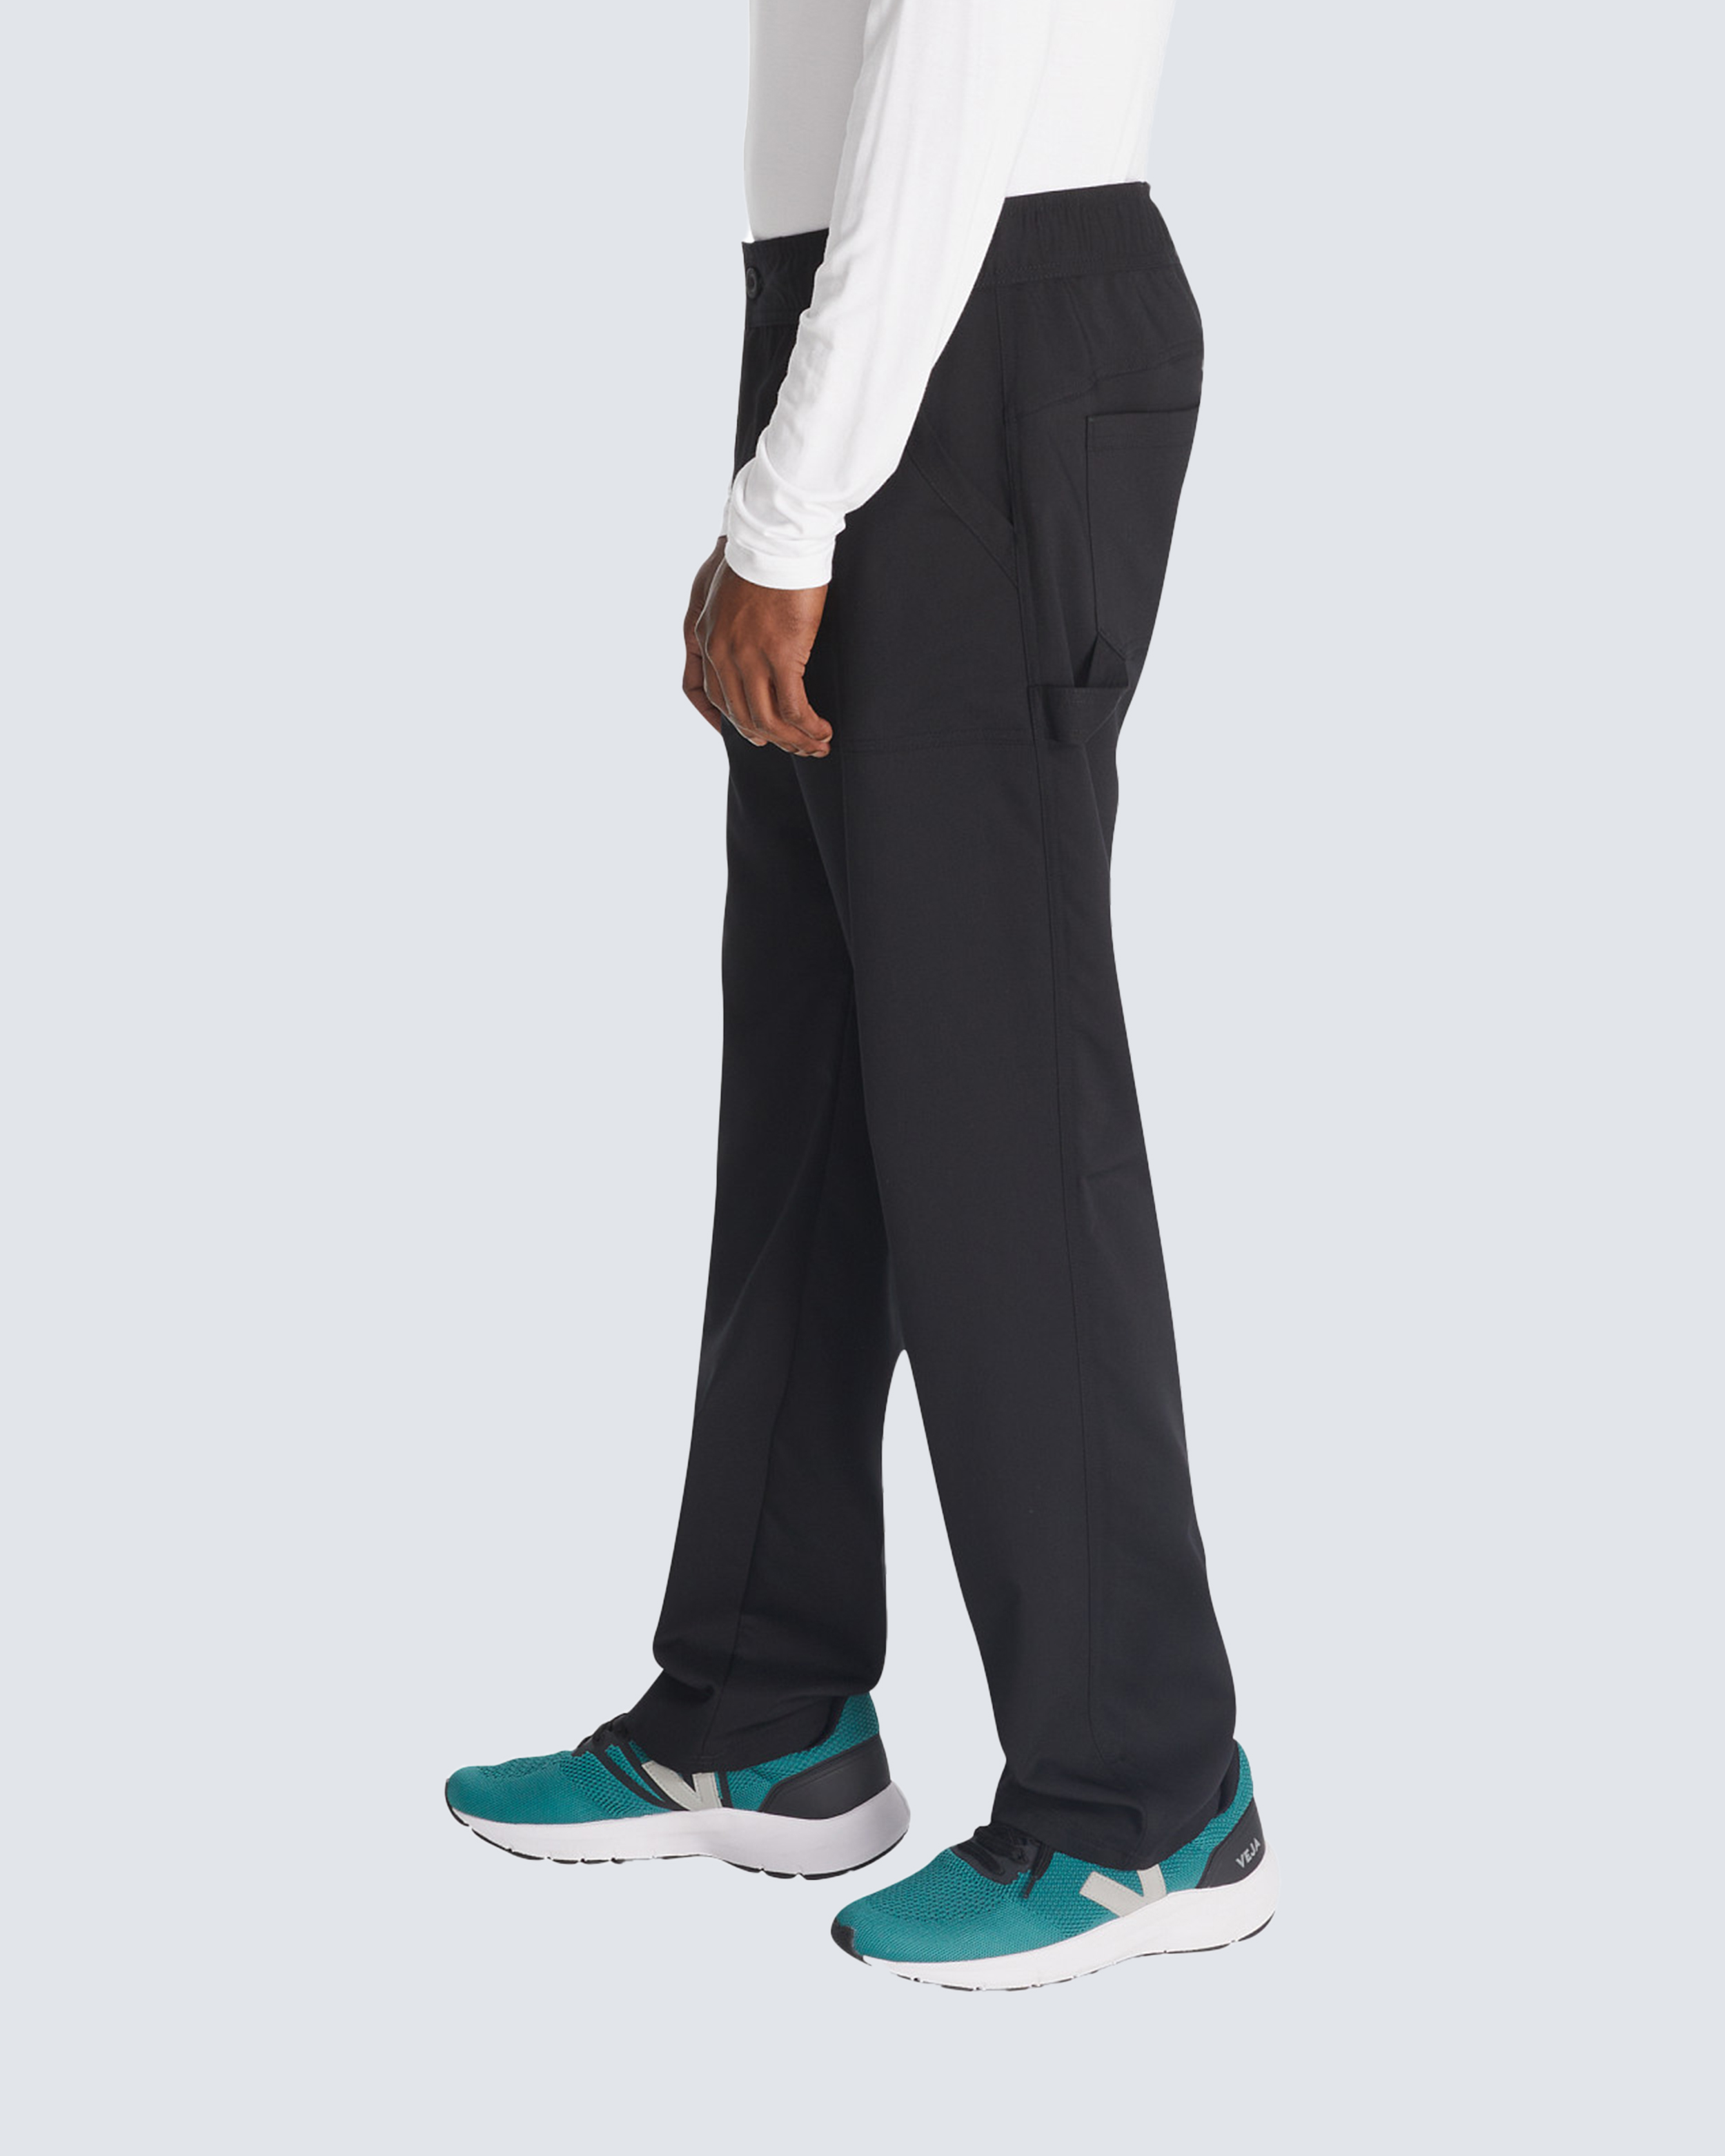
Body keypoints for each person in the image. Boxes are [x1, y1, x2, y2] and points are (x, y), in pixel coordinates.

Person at [445, 0, 1275, 1990]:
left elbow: (960, 60)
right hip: (878, 322)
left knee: (996, 1090)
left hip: (967, 320)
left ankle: (1146, 1798)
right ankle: (763, 1700)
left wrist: (788, 503)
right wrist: (796, 449)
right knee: (819, 1071)